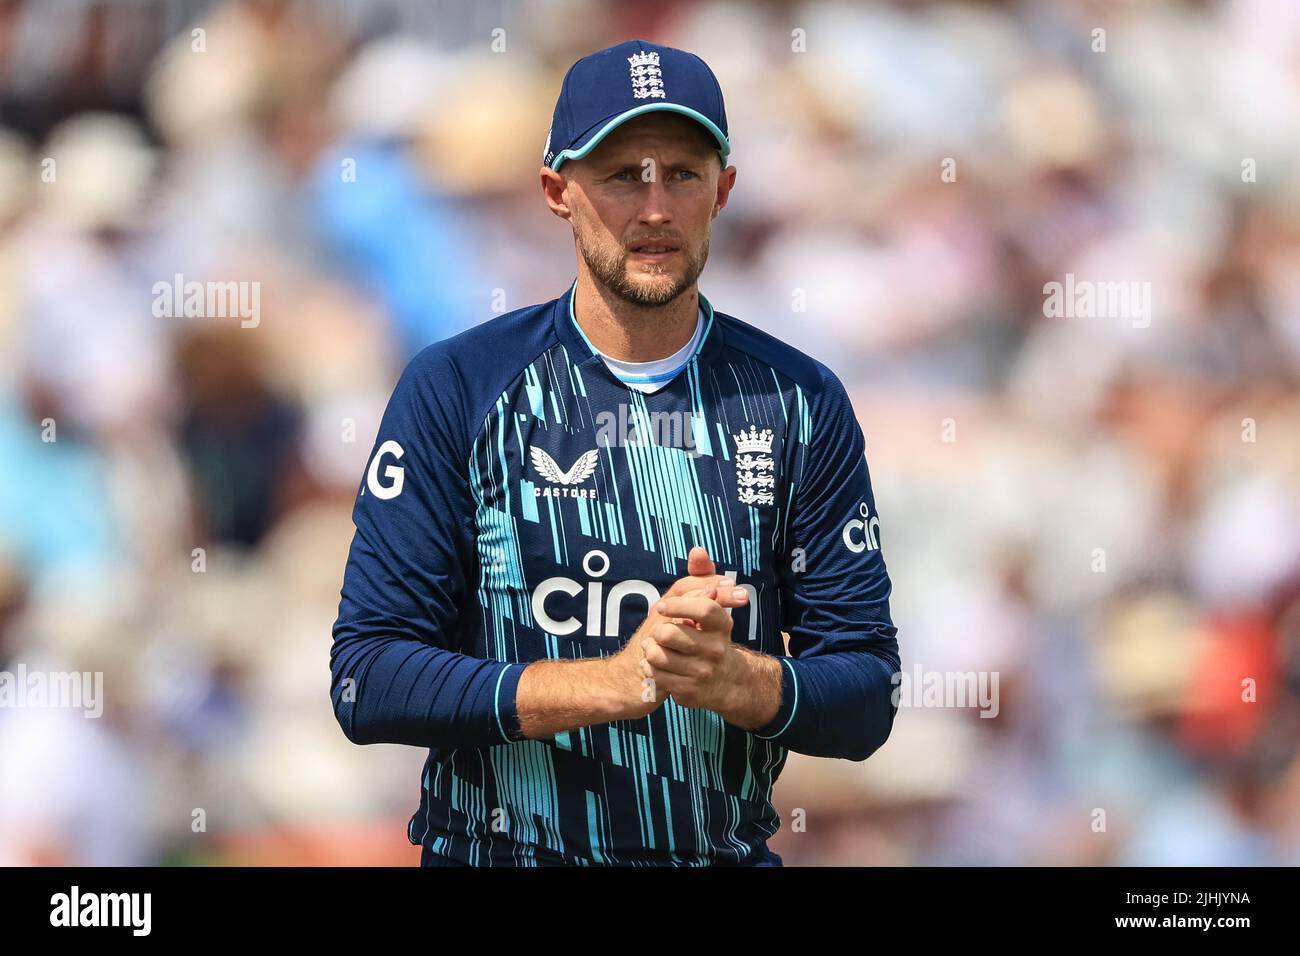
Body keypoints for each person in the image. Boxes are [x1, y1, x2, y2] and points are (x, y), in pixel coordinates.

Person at [330, 39, 900, 866]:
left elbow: (868, 695)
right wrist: (612, 681)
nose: (656, 207)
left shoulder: (799, 401)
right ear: (558, 192)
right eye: (622, 174)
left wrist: (733, 681)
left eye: (683, 173)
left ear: (725, 190)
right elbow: (367, 678)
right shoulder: (460, 385)